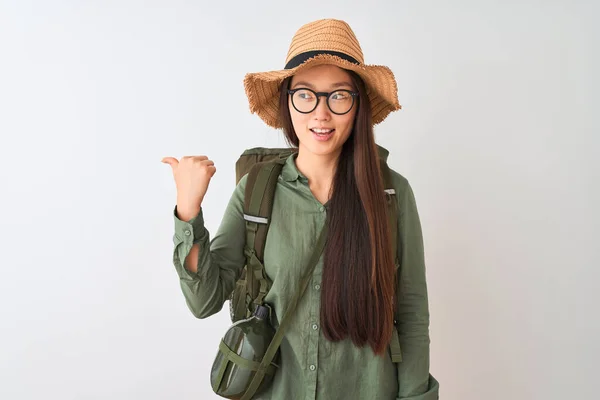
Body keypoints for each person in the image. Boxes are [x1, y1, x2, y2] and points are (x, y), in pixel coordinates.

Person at [162, 18, 439, 400]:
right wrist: (188, 210)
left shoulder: (392, 194)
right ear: (287, 101)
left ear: (357, 105)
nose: (321, 114)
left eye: (338, 96)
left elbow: (411, 315)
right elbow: (204, 300)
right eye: (306, 95)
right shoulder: (257, 191)